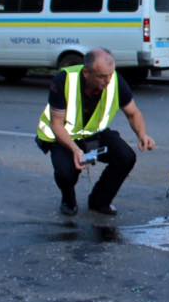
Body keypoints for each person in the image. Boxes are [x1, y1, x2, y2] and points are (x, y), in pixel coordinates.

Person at [36, 48, 156, 216]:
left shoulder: (115, 81)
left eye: (110, 74)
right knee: (66, 173)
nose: (107, 81)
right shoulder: (63, 81)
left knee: (125, 157)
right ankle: (68, 199)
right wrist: (75, 150)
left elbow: (133, 113)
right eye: (101, 76)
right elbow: (56, 124)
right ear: (86, 73)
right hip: (64, 138)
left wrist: (142, 134)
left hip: (93, 135)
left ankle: (99, 201)